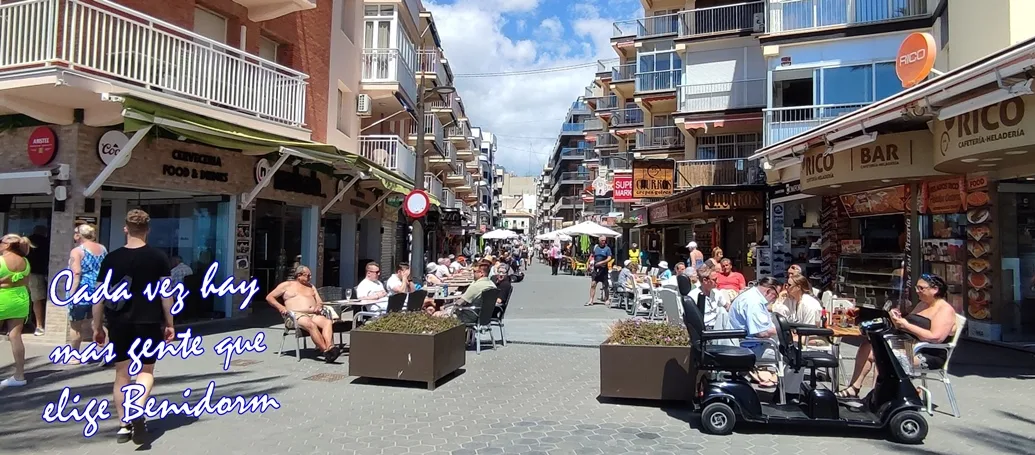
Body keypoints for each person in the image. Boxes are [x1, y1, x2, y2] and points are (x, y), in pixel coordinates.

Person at [91, 209, 176, 443]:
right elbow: (166, 294)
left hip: (119, 322)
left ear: (125, 229)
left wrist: (96, 326)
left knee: (121, 373)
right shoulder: (159, 257)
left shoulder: (111, 258)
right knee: (146, 370)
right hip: (149, 320)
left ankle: (123, 426)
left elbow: (99, 296)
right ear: (148, 230)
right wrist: (170, 323)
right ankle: (137, 406)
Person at [837, 274, 958, 398]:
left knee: (884, 355)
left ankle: (878, 395)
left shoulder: (944, 310)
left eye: (921, 288)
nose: (917, 291)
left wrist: (906, 324)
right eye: (916, 287)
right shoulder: (922, 304)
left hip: (927, 353)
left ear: (935, 289)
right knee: (868, 346)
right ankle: (855, 387)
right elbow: (905, 326)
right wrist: (897, 319)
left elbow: (935, 338)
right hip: (906, 345)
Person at [265, 266, 341, 364]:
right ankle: (326, 351)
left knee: (327, 322)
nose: (310, 277)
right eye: (308, 275)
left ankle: (330, 347)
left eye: (310, 275)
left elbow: (319, 301)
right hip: (296, 315)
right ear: (299, 275)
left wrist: (318, 306)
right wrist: (281, 307)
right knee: (310, 324)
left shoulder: (311, 287)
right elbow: (269, 297)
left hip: (313, 314)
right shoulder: (287, 285)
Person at [728, 276, 781, 387]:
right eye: (776, 295)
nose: (775, 300)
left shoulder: (751, 295)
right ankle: (789, 392)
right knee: (792, 355)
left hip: (743, 342)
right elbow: (762, 333)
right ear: (768, 291)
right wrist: (782, 330)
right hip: (748, 347)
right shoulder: (754, 302)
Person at [66, 224, 107, 364]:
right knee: (98, 323)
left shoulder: (77, 251)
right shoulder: (102, 249)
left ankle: (74, 356)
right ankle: (107, 352)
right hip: (99, 289)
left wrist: (71, 294)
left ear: (79, 235)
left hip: (82, 291)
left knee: (75, 325)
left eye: (75, 232)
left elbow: (76, 273)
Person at [0, 234, 33, 387]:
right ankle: (20, 375)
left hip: (2, 298)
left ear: (7, 245)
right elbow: (26, 282)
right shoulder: (25, 261)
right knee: (15, 336)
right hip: (20, 299)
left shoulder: (1, 260)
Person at [26, 225, 48, 336]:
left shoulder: (27, 241)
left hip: (25, 273)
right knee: (37, 299)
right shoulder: (45, 242)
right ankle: (39, 326)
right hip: (37, 273)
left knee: (28, 299)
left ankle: (20, 324)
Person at [586, 236, 612, 306]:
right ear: (599, 241)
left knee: (605, 285)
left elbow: (609, 258)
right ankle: (591, 300)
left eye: (604, 240)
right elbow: (592, 255)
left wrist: (601, 262)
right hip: (595, 269)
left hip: (603, 269)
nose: (604, 242)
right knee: (593, 284)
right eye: (602, 240)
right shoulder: (596, 247)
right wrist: (588, 264)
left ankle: (606, 299)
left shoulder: (607, 248)